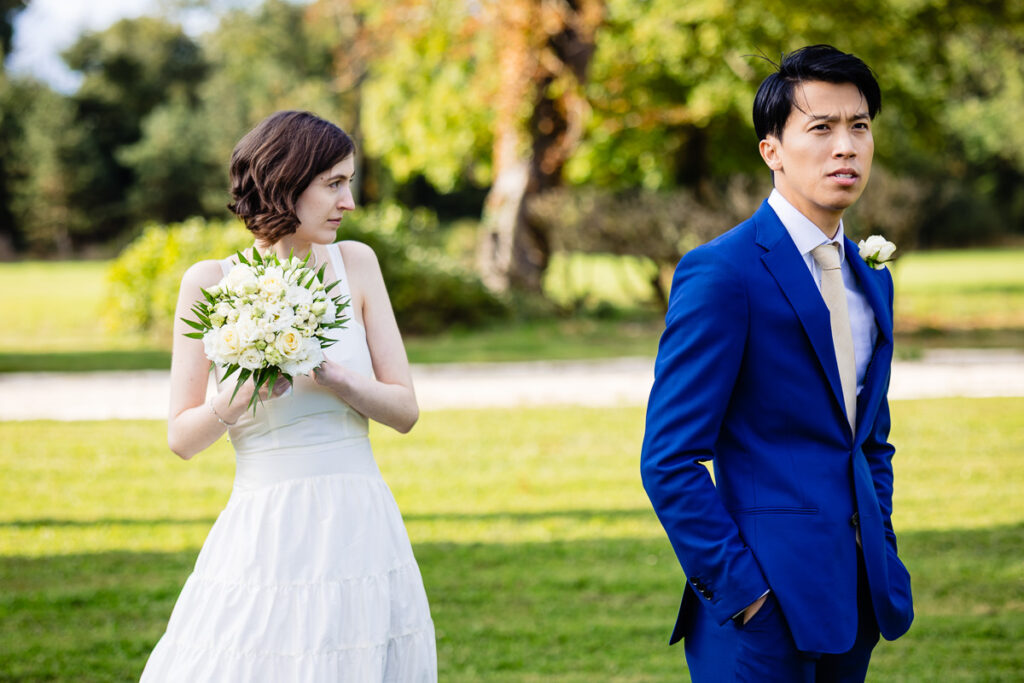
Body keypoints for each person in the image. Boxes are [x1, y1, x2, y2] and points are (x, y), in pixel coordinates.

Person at [640, 45, 913, 681]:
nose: (845, 146)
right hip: (761, 617)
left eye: (860, 126)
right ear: (772, 151)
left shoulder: (872, 276)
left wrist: (880, 546)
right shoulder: (723, 272)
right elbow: (669, 459)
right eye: (821, 128)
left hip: (856, 599)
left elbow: (868, 439)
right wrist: (746, 597)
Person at [141, 110, 437, 681]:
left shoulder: (357, 264)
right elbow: (181, 438)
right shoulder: (209, 282)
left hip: (361, 521)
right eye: (334, 184)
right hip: (267, 526)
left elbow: (405, 411)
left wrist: (336, 377)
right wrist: (241, 394)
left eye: (349, 182)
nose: (349, 201)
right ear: (286, 182)